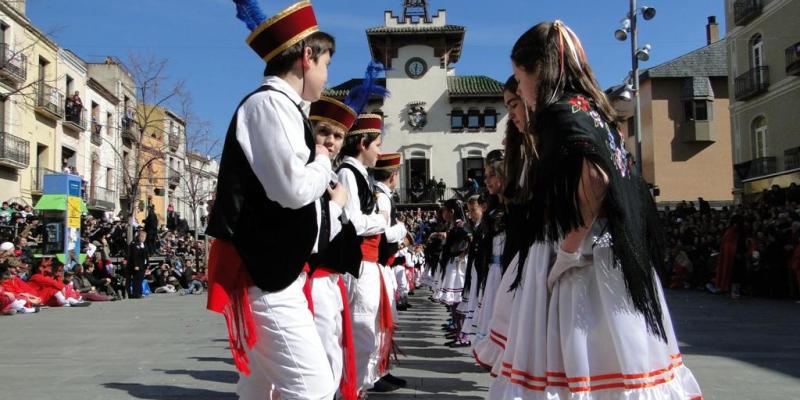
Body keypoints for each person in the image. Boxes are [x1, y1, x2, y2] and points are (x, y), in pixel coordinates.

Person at [489, 21, 702, 399]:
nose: (519, 88)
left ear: (539, 68)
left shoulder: (558, 112)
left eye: (520, 77)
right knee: (622, 362)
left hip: (587, 260)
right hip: (614, 256)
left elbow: (596, 178)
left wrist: (568, 251)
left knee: (576, 360)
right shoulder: (595, 110)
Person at [205, 2, 345, 399]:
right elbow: (293, 190)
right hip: (265, 278)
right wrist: (322, 159)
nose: (326, 75)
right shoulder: (268, 104)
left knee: (260, 387)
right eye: (326, 64)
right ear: (307, 57)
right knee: (313, 387)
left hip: (274, 274)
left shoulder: (282, 108)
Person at [306, 95, 359, 400]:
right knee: (322, 359)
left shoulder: (334, 176)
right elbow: (315, 236)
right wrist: (338, 208)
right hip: (312, 281)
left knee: (334, 351)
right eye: (324, 132)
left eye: (338, 136)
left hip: (331, 281)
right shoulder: (309, 173)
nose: (330, 141)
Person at [370, 152, 409, 389]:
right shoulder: (382, 197)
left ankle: (380, 369)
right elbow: (385, 233)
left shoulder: (381, 194)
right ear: (393, 175)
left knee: (384, 321)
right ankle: (376, 373)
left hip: (381, 265)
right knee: (380, 321)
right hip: (379, 265)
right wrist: (403, 228)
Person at [128, 229, 148, 299]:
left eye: (144, 237)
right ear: (138, 236)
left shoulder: (144, 244)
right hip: (137, 265)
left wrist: (147, 264)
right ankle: (136, 293)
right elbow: (133, 256)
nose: (143, 238)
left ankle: (139, 292)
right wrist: (135, 265)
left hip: (143, 264)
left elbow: (146, 255)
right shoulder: (134, 244)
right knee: (137, 280)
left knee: (141, 279)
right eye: (142, 236)